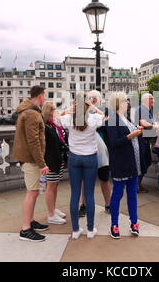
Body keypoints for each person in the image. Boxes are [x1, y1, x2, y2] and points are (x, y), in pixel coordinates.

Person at [60, 92, 104, 239]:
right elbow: (102, 115)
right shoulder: (93, 118)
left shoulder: (68, 119)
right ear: (87, 104)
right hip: (90, 158)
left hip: (74, 158)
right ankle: (90, 230)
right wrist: (92, 106)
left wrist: (69, 109)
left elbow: (55, 117)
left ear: (75, 104)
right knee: (89, 194)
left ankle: (75, 230)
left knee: (75, 195)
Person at [106, 92, 146, 239]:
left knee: (132, 195)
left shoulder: (126, 118)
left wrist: (137, 131)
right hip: (121, 163)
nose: (127, 103)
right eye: (125, 101)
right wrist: (132, 135)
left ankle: (134, 223)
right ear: (118, 103)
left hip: (133, 163)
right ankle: (114, 225)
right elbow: (114, 142)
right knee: (117, 195)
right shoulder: (112, 119)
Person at [14, 86, 50, 242]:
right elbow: (33, 141)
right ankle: (25, 229)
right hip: (32, 160)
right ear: (40, 96)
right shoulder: (32, 114)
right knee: (32, 192)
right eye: (45, 95)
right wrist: (42, 164)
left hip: (29, 158)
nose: (46, 98)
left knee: (33, 192)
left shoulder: (27, 111)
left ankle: (30, 221)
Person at [78, 90, 111, 217]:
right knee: (85, 181)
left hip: (103, 151)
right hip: (86, 151)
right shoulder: (84, 112)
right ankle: (84, 205)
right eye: (90, 98)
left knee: (105, 180)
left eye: (94, 98)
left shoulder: (106, 112)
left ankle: (108, 204)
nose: (92, 100)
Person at [42, 101, 67, 225]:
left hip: (58, 158)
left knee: (55, 185)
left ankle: (53, 208)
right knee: (51, 186)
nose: (55, 111)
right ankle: (50, 214)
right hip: (51, 160)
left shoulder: (54, 125)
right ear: (48, 111)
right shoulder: (45, 126)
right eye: (53, 109)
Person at [135, 93, 159, 193]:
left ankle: (138, 185)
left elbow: (153, 122)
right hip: (141, 141)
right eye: (151, 99)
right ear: (145, 100)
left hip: (145, 140)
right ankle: (136, 186)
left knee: (146, 162)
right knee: (142, 163)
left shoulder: (148, 111)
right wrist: (155, 127)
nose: (153, 101)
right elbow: (144, 123)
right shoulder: (142, 109)